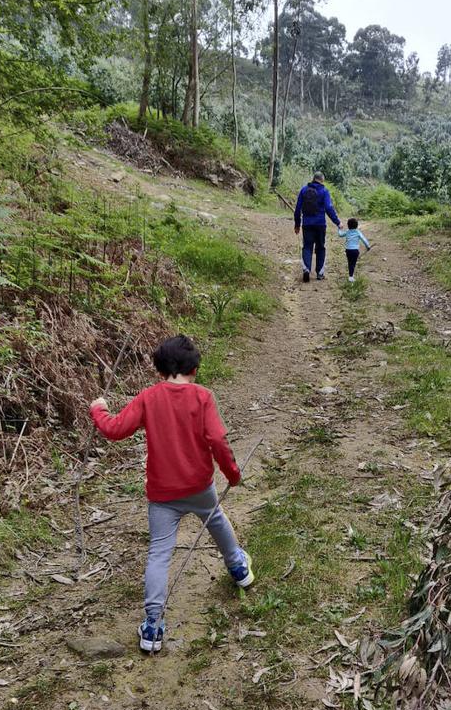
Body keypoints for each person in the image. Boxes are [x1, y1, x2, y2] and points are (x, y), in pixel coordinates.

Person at [89, 335, 253, 655]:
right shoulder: (203, 397)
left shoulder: (149, 397)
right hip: (199, 487)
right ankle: (238, 569)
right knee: (216, 520)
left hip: (162, 493)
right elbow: (218, 441)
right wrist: (232, 474)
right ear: (194, 368)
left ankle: (152, 624)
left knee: (159, 553)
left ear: (160, 368)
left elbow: (115, 429)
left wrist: (99, 409)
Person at [293, 171, 341, 282]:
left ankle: (306, 270)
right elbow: (329, 208)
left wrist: (297, 224)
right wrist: (337, 222)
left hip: (307, 224)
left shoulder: (304, 190)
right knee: (320, 247)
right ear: (322, 180)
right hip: (320, 224)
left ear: (313, 179)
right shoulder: (324, 191)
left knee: (307, 247)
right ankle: (320, 273)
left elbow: (297, 209)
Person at [336, 218, 372, 283]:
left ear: (348, 225)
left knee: (350, 263)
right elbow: (363, 239)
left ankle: (351, 275)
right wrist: (368, 246)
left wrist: (339, 228)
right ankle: (351, 276)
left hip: (348, 251)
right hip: (355, 251)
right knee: (353, 263)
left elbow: (340, 235)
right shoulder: (358, 232)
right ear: (357, 225)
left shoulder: (347, 232)